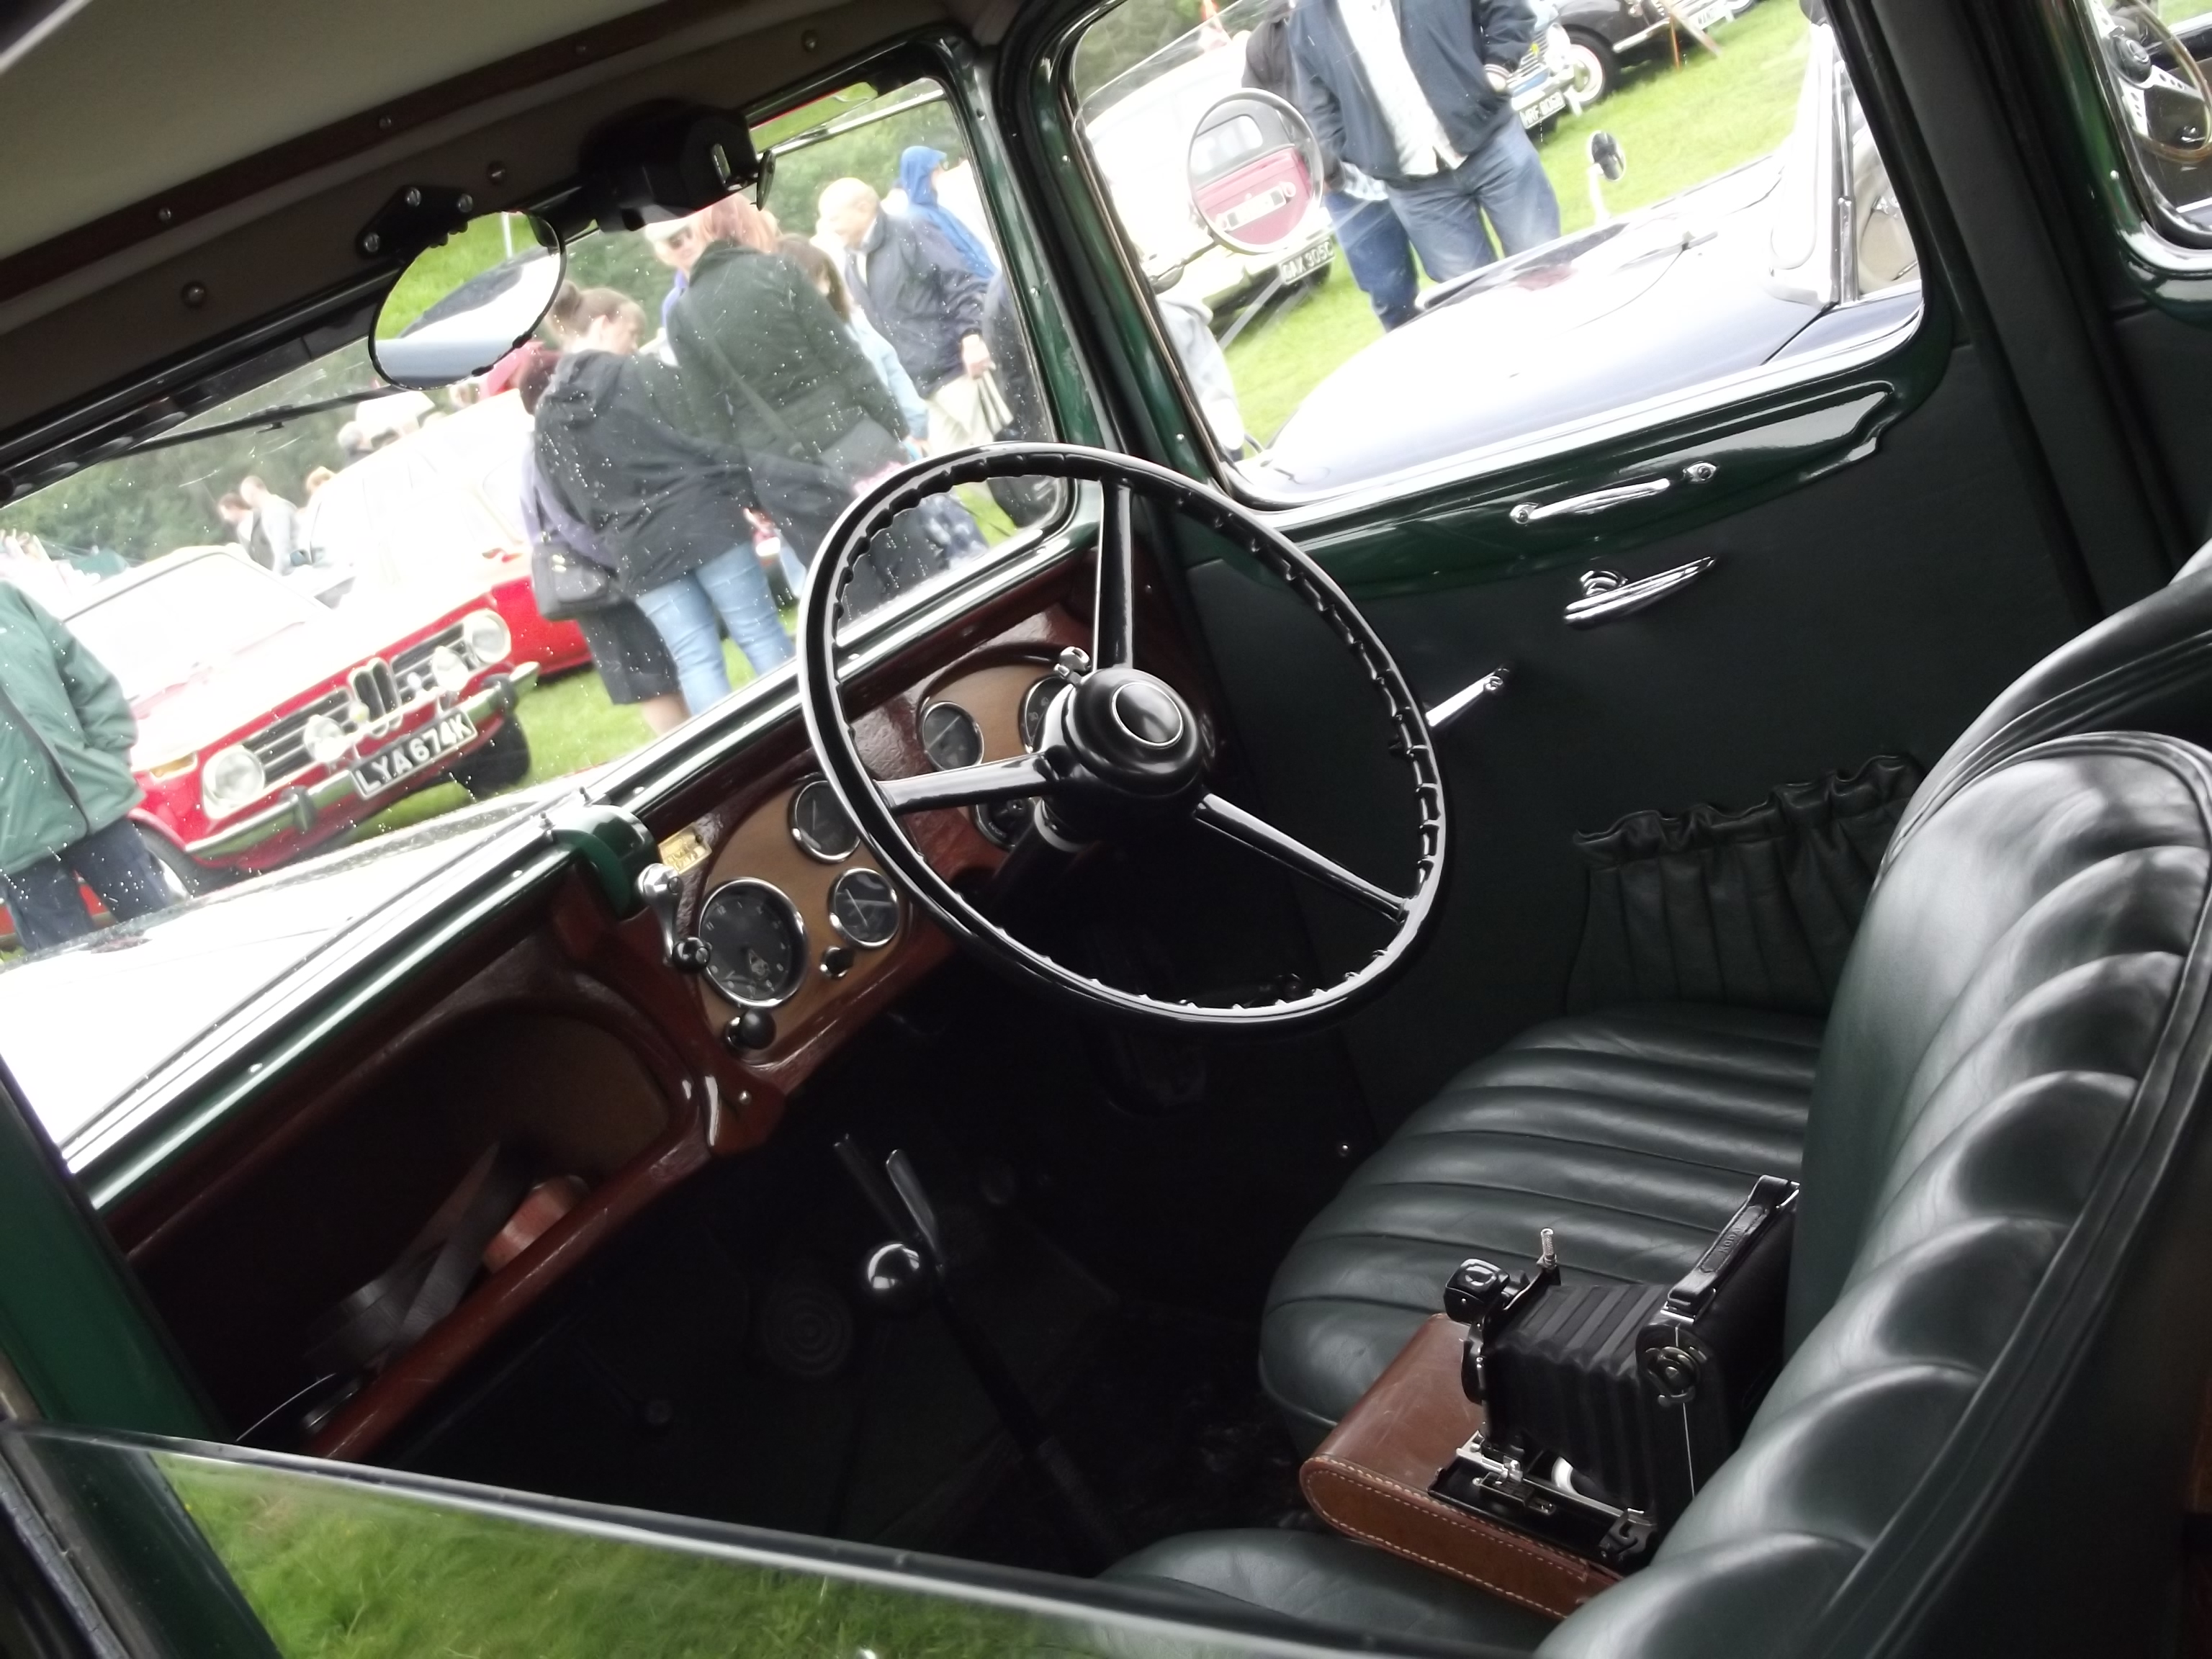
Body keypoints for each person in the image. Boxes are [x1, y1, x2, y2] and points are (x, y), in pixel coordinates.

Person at [667, 196, 945, 613]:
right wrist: (893, 425)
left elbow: (708, 419)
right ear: (747, 229)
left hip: (783, 471)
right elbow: (844, 358)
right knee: (912, 563)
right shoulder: (778, 272)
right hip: (855, 442)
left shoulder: (684, 314)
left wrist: (747, 494)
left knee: (846, 587)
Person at [533, 282, 793, 716]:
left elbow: (565, 498)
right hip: (705, 520)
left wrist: (614, 524)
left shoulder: (548, 415)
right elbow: (708, 436)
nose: (633, 345)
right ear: (602, 324)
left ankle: (733, 760)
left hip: (637, 548)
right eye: (630, 333)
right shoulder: (642, 374)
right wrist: (747, 492)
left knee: (694, 658)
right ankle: (804, 723)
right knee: (759, 631)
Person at [1289, 0, 1561, 282]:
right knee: (1476, 303)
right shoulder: (1308, 21)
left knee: (1546, 272)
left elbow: (1507, 9)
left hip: (1495, 148)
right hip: (1418, 191)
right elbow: (1318, 107)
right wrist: (1365, 154)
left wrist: (1496, 71)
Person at [512, 341, 688, 738]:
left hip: (599, 581)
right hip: (599, 583)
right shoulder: (545, 447)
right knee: (652, 682)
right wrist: (622, 557)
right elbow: (571, 525)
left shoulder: (542, 445)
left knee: (661, 675)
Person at [0, 583, 175, 953]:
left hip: (98, 814)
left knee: (172, 941)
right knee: (78, 984)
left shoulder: (9, 601)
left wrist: (105, 760)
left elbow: (88, 684)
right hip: (18, 851)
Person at [1246, 0, 1420, 331]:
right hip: (1347, 188)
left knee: (1459, 275)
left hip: (1413, 167)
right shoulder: (1265, 42)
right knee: (1391, 296)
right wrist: (1312, 167)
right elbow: (1262, 116)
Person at [817, 178, 1004, 455]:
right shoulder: (852, 260)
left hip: (959, 368)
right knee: (961, 467)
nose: (830, 227)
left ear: (863, 207)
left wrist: (971, 339)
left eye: (834, 217)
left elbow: (959, 282)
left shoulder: (910, 229)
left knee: (1005, 456)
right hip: (922, 383)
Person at [776, 234, 930, 443]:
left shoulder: (852, 321)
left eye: (826, 277)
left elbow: (890, 365)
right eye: (815, 281)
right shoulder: (796, 347)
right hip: (865, 446)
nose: (826, 288)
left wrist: (915, 427)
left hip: (899, 435)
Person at [896, 147, 997, 279]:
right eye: (937, 169)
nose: (943, 172)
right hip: (976, 291)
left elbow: (972, 247)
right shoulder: (918, 219)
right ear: (922, 175)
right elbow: (952, 266)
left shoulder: (937, 209)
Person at [238, 475, 301, 570]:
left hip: (300, 570)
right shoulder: (273, 510)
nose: (247, 500)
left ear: (256, 489)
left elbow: (283, 550)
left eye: (246, 494)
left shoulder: (275, 510)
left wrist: (277, 577)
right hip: (300, 565)